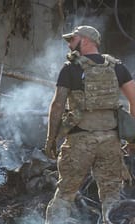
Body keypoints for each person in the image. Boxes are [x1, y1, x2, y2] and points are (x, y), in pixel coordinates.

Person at [44, 25, 135, 224]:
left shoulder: (70, 68)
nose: (69, 44)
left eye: (72, 39)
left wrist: (51, 139)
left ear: (85, 40)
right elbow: (134, 100)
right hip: (110, 141)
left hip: (79, 141)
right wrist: (132, 137)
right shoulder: (117, 67)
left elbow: (58, 104)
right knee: (111, 196)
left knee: (65, 194)